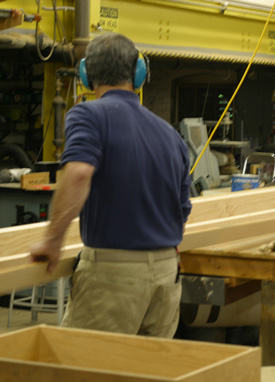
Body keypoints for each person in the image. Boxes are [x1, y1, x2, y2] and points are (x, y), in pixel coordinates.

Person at [29, 33, 192, 337]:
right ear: (139, 73)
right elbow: (182, 210)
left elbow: (78, 173)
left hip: (114, 277)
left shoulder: (87, 114)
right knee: (148, 372)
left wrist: (53, 241)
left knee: (86, 370)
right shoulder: (170, 134)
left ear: (86, 74)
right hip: (167, 274)